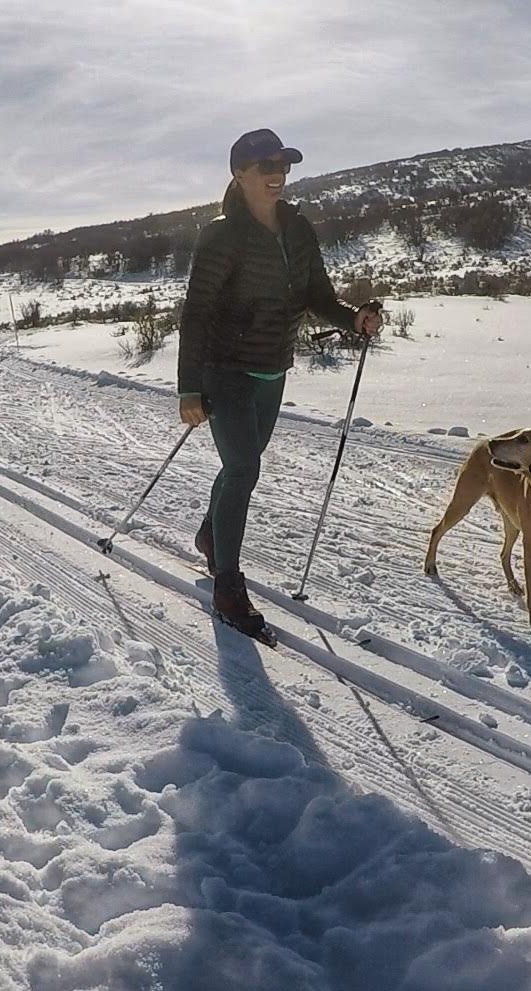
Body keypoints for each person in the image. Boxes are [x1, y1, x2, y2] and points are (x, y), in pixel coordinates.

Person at [177, 128, 382, 636]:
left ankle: (210, 535)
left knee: (241, 466)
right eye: (266, 165)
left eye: (284, 165)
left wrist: (350, 317)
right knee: (243, 467)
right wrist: (188, 386)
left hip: (273, 367)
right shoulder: (221, 234)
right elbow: (197, 313)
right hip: (225, 369)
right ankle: (227, 583)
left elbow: (316, 293)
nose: (277, 174)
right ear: (239, 173)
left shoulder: (297, 227)